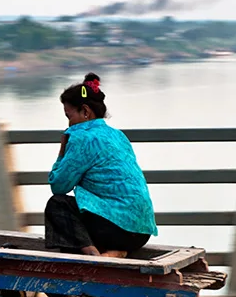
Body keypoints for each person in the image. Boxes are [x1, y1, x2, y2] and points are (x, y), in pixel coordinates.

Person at [44, 73, 157, 257]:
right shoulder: (117, 135)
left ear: (85, 111)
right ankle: (116, 252)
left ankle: (94, 259)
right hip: (141, 232)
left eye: (68, 116)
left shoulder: (82, 138)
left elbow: (58, 186)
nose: (68, 123)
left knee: (58, 205)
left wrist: (63, 148)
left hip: (118, 230)